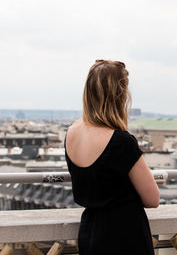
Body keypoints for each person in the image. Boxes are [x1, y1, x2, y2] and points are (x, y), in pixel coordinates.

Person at [64, 60, 160, 254]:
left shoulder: (72, 132)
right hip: (124, 234)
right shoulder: (121, 141)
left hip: (90, 231)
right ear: (121, 95)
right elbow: (152, 198)